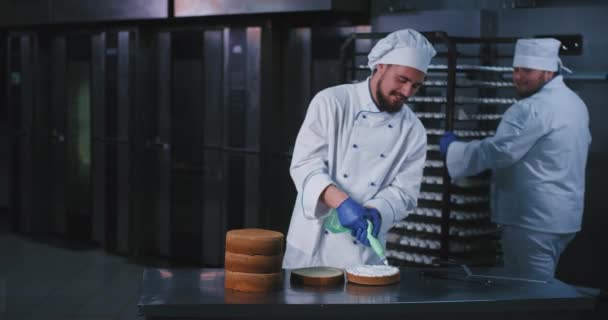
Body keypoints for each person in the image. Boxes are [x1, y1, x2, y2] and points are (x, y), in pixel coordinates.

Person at [282, 29, 436, 269]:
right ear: (381, 66)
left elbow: (405, 192)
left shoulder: (413, 130)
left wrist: (378, 212)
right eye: (402, 80)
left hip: (363, 253)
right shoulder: (333, 101)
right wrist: (342, 203)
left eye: (415, 86)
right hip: (311, 247)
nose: (407, 92)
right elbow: (304, 164)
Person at [440, 38, 591, 280]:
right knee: (539, 284)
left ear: (548, 71)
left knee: (530, 290)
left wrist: (455, 150)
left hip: (532, 220)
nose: (518, 77)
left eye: (527, 71)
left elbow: (500, 152)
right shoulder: (574, 102)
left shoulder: (531, 108)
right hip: (563, 217)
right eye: (516, 69)